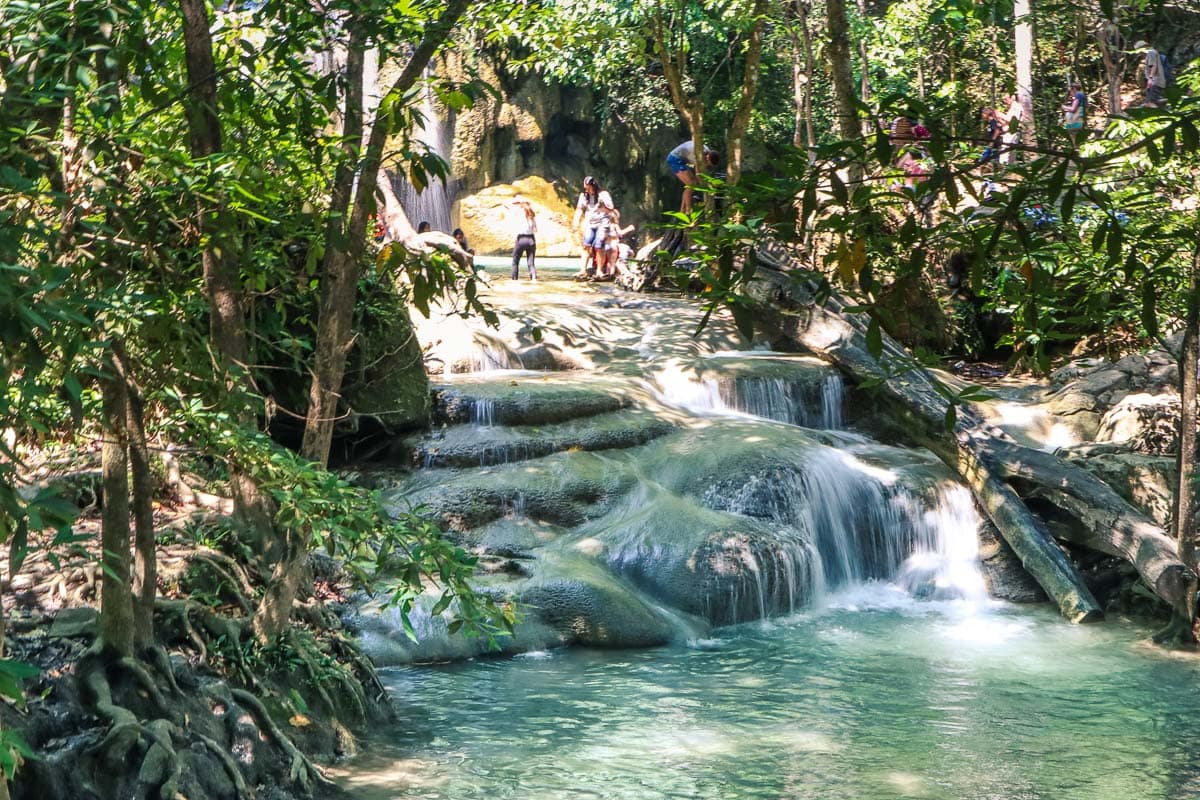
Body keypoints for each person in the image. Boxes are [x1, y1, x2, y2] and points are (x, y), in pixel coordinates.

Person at [571, 176, 615, 279]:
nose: (587, 190)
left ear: (593, 186)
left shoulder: (603, 195)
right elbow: (579, 209)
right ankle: (583, 270)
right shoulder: (583, 196)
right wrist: (575, 222)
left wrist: (603, 205)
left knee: (599, 246)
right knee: (586, 245)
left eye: (588, 187)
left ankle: (599, 271)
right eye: (585, 188)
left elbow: (611, 209)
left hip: (602, 223)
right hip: (590, 223)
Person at [665, 140, 720, 214]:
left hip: (681, 160)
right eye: (707, 163)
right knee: (692, 184)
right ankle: (688, 210)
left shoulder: (705, 151)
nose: (707, 165)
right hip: (675, 159)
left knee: (691, 185)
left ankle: (683, 210)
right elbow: (698, 172)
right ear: (707, 158)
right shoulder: (698, 155)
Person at [510, 198, 537, 281]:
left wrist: (520, 202)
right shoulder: (532, 217)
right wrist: (524, 203)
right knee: (531, 262)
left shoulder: (519, 214)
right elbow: (536, 230)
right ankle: (534, 278)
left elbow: (511, 204)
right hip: (531, 239)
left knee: (515, 261)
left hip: (521, 239)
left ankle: (514, 279)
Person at [1136, 41, 1166, 107]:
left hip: (1155, 81)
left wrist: (1150, 79)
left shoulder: (1151, 52)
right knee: (1152, 101)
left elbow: (1153, 66)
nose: (1140, 53)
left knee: (1150, 103)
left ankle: (1157, 115)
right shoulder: (1151, 52)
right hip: (1155, 81)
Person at [999, 93, 1023, 165]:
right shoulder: (1011, 108)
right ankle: (1007, 168)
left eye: (1006, 99)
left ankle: (1006, 168)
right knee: (1008, 151)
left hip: (1012, 132)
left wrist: (1001, 115)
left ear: (1012, 98)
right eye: (1004, 100)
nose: (1005, 101)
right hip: (1008, 132)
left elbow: (1013, 120)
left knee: (1007, 151)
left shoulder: (1016, 107)